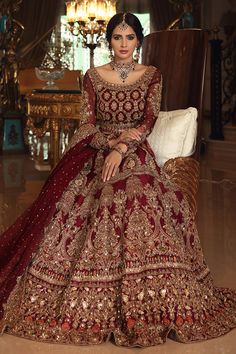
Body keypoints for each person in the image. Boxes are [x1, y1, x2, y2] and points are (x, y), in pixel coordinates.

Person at [0, 12, 236, 348]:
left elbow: (149, 121)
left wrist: (122, 147)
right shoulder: (93, 77)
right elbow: (85, 125)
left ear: (139, 41)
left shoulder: (152, 75)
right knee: (92, 194)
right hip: (98, 149)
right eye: (117, 37)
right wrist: (108, 145)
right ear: (109, 41)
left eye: (129, 37)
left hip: (135, 150)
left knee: (140, 189)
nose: (123, 44)